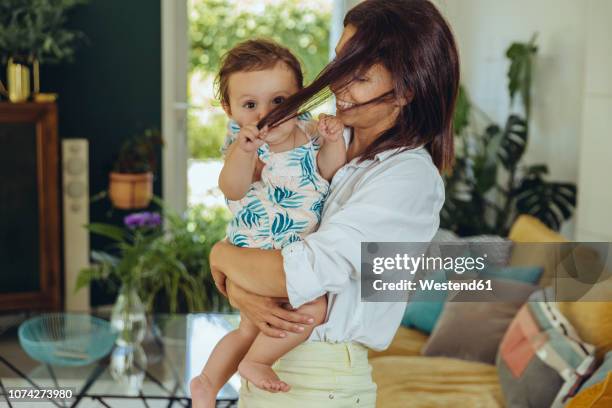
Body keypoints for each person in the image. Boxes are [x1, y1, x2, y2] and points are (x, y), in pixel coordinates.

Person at [206, 0, 459, 406]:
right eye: (339, 64)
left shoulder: (408, 177)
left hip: (317, 382)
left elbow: (297, 275)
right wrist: (242, 291)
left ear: (407, 90)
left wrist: (220, 256)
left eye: (357, 76)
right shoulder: (324, 144)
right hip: (269, 363)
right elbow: (268, 246)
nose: (338, 85)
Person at [190, 39, 347, 408]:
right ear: (230, 110)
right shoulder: (243, 146)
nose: (267, 114)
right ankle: (256, 362)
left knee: (250, 327)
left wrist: (333, 142)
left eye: (280, 101)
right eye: (250, 105)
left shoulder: (308, 135)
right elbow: (232, 187)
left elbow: (330, 172)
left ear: (299, 97)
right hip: (260, 251)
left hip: (292, 254)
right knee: (316, 308)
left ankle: (207, 383)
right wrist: (243, 153)